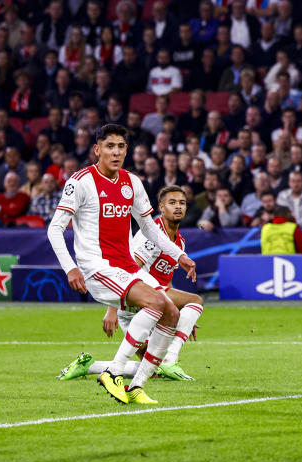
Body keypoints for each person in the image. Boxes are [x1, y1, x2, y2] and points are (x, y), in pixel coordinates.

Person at [46, 124, 197, 405]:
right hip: (97, 266)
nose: (116, 152)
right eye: (110, 146)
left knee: (171, 314)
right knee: (155, 302)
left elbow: (150, 228)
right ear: (97, 150)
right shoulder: (80, 182)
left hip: (127, 266)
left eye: (121, 147)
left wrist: (179, 255)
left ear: (127, 150)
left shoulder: (131, 182)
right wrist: (70, 267)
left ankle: (136, 386)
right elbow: (55, 229)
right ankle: (113, 371)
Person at [57, 186, 204, 382]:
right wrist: (112, 309)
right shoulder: (150, 235)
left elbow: (165, 279)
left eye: (182, 203)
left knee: (152, 370)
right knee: (196, 300)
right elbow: (127, 270)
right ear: (161, 207)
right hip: (135, 302)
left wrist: (181, 315)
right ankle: (171, 359)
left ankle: (89, 366)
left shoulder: (180, 243)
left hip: (153, 303)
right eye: (172, 203)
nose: (178, 207)